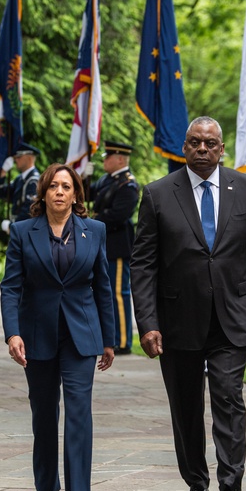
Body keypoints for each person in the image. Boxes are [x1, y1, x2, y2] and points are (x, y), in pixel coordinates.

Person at [130, 117, 246, 491]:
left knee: (229, 399)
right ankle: (197, 482)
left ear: (222, 149)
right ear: (184, 145)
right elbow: (143, 266)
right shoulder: (158, 194)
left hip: (232, 318)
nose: (202, 149)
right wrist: (147, 322)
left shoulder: (245, 188)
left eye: (210, 143)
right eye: (195, 142)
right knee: (186, 405)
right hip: (178, 320)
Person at [0, 164, 115, 491]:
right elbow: (11, 287)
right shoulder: (22, 232)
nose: (60, 192)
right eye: (53, 186)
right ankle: (46, 484)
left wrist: (109, 339)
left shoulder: (94, 230)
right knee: (45, 413)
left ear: (76, 194)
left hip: (82, 335)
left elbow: (103, 288)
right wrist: (12, 333)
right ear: (44, 193)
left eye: (67, 186)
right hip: (37, 336)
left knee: (79, 415)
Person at [89, 141, 139, 354]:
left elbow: (118, 215)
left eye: (108, 156)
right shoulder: (105, 180)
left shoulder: (127, 184)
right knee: (103, 292)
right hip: (103, 243)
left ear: (120, 159)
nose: (104, 160)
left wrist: (92, 220)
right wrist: (82, 176)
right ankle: (108, 336)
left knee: (118, 293)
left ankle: (122, 341)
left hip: (117, 246)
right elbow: (87, 194)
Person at [0, 142, 40, 229]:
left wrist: (12, 225)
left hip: (26, 230)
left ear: (29, 158)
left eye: (19, 157)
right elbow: (0, 193)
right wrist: (3, 173)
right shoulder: (19, 179)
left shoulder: (34, 181)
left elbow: (30, 211)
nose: (16, 160)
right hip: (19, 230)